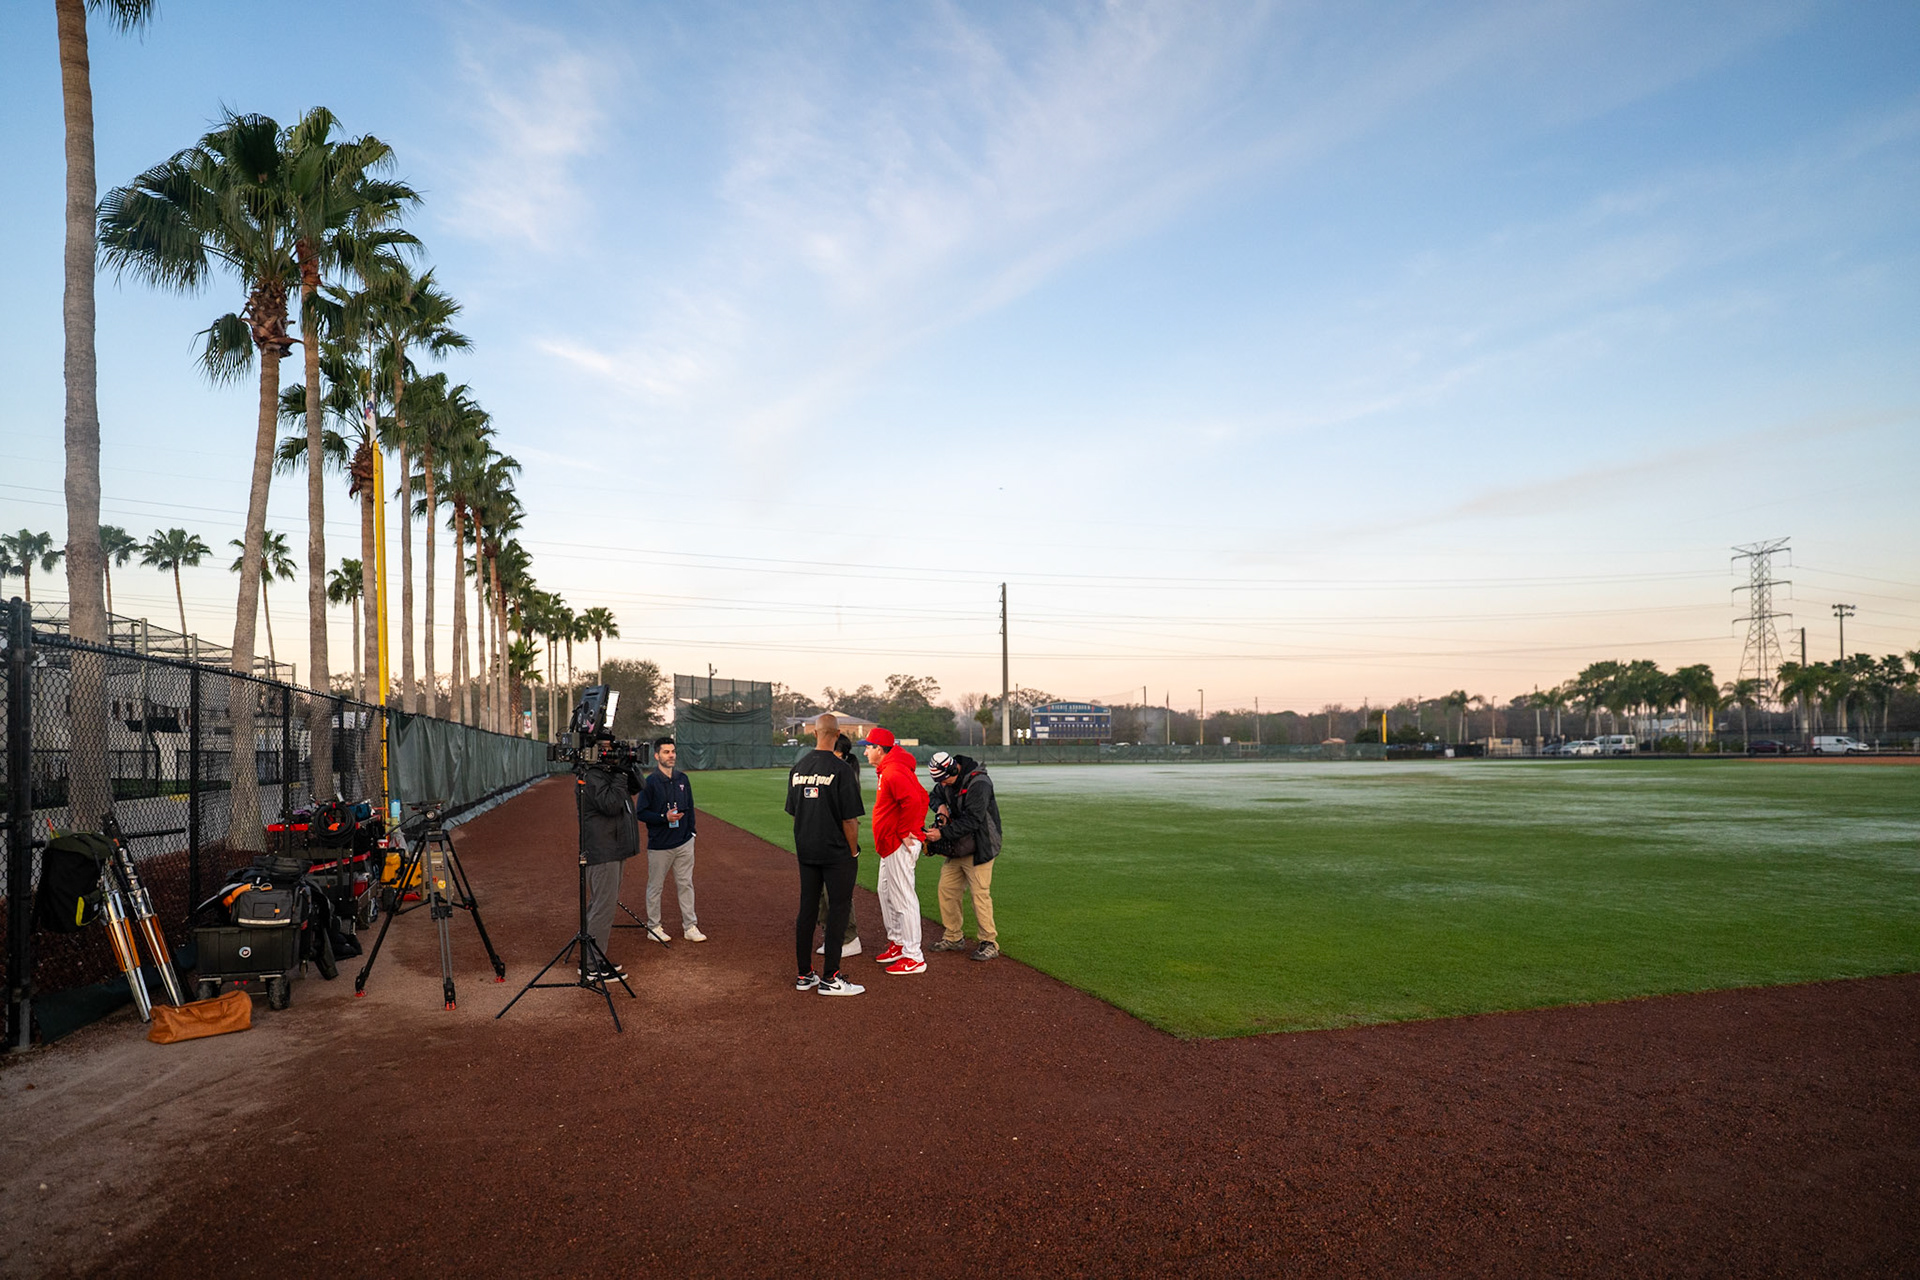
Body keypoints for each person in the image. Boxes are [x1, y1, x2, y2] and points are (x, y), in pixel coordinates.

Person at [785, 714, 866, 995]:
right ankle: (831, 977)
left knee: (807, 909)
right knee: (838, 910)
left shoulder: (798, 768)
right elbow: (850, 820)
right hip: (836, 852)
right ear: (838, 734)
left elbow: (795, 813)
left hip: (807, 850)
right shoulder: (842, 769)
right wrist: (853, 852)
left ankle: (804, 974)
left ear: (815, 733)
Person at [921, 750, 1002, 961]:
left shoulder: (979, 783)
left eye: (944, 780)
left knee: (979, 894)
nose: (942, 784)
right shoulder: (947, 779)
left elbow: (973, 820)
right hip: (958, 845)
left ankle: (989, 942)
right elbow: (934, 795)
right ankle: (953, 937)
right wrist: (940, 808)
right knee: (947, 889)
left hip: (981, 845)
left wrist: (941, 833)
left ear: (953, 769)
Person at [862, 727, 928, 974]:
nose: (865, 752)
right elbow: (923, 796)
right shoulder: (889, 769)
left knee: (903, 898)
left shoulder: (894, 770)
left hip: (898, 843)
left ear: (879, 750)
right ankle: (898, 943)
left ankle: (914, 956)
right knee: (886, 892)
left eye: (868, 747)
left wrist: (906, 831)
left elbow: (916, 800)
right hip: (889, 844)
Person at [578, 752, 641, 983]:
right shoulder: (592, 776)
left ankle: (592, 958)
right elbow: (611, 804)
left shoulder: (609, 773)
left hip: (613, 848)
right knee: (603, 906)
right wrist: (620, 774)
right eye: (607, 748)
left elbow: (638, 786)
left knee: (601, 903)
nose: (612, 753)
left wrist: (628, 767)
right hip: (603, 850)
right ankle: (592, 964)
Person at [635, 736, 703, 943]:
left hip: (684, 842)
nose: (671, 755)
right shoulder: (650, 782)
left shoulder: (682, 779)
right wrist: (664, 818)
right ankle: (654, 927)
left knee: (685, 884)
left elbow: (690, 807)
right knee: (655, 887)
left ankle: (690, 926)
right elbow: (641, 812)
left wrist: (691, 833)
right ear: (657, 756)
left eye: (673, 751)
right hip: (660, 845)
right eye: (666, 752)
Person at [812, 733, 863, 958]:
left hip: (838, 844)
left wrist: (851, 851)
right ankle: (832, 935)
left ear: (840, 753)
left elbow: (849, 819)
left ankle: (848, 938)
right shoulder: (831, 773)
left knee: (836, 893)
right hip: (822, 841)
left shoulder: (845, 776)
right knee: (821, 895)